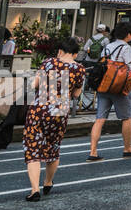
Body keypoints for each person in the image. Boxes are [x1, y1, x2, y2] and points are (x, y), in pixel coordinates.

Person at [21, 38, 84, 201]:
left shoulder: (48, 63)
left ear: (60, 52)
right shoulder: (79, 69)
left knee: (33, 149)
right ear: (75, 54)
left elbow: (35, 84)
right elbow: (76, 95)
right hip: (60, 113)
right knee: (53, 148)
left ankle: (35, 190)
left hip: (39, 110)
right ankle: (48, 182)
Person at [86, 22, 131, 161]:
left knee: (100, 119)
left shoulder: (108, 46)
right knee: (126, 118)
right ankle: (127, 149)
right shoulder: (126, 48)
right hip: (119, 88)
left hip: (105, 85)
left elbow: (103, 62)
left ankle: (93, 152)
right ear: (129, 34)